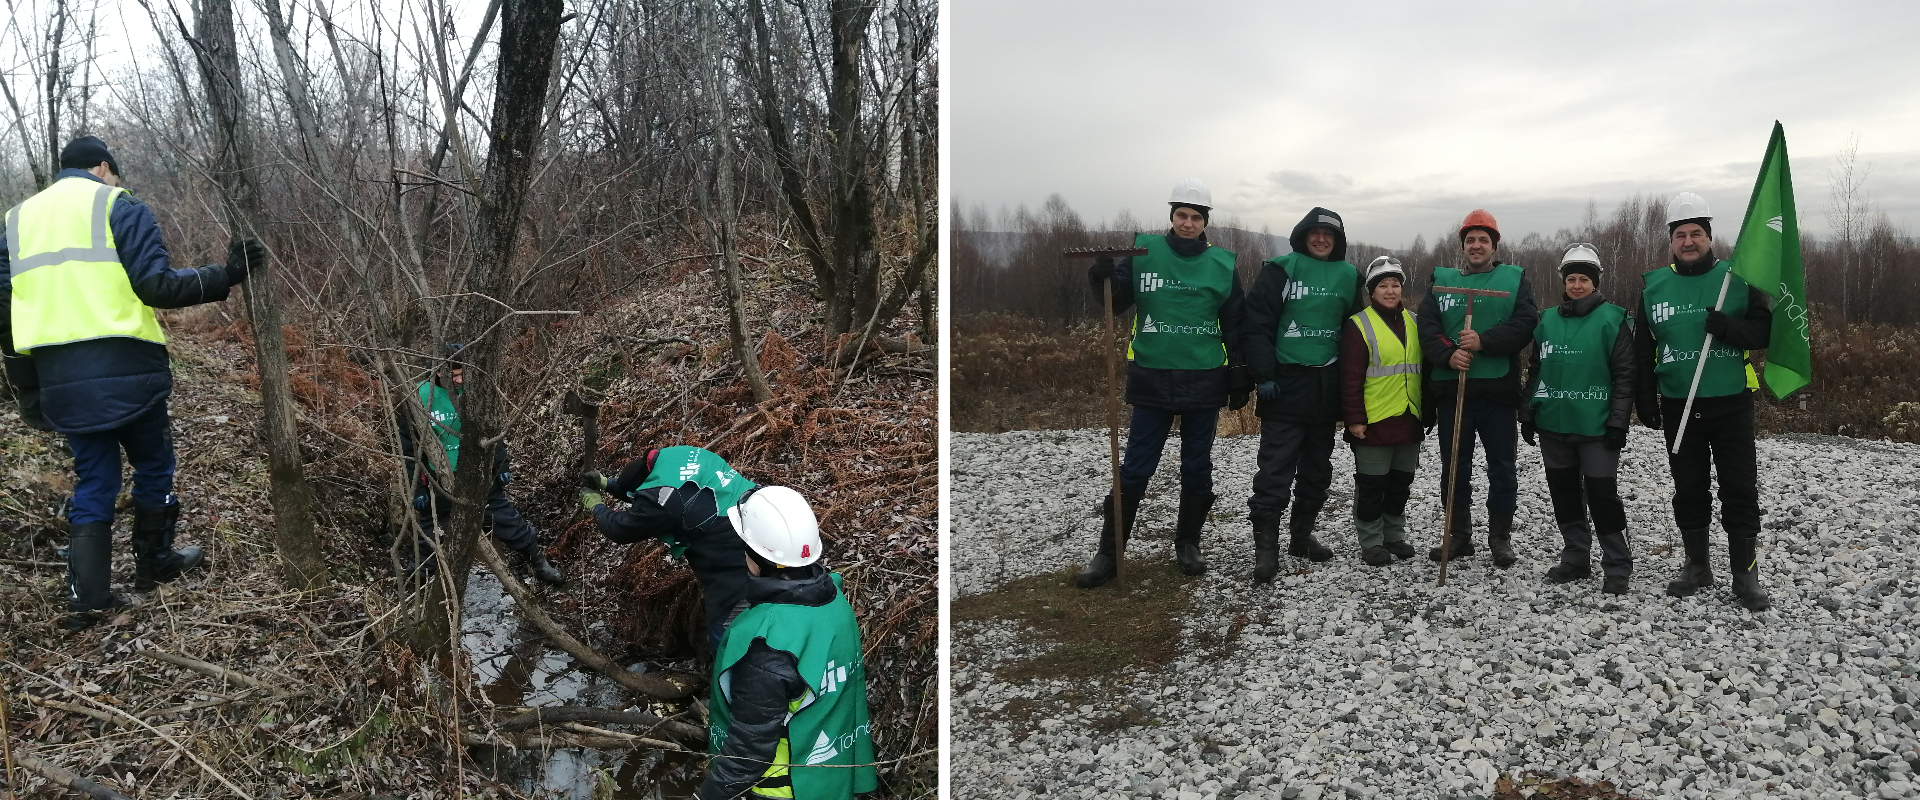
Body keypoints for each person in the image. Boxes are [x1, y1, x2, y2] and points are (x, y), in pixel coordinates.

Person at [0, 136, 260, 631]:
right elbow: (156, 286)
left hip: (59, 375)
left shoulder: (16, 221)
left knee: (94, 477)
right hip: (127, 365)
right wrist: (226, 273)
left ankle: (88, 597)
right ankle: (154, 563)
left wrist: (25, 377)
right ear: (103, 168)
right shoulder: (119, 205)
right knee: (154, 463)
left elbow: (4, 309)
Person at [1074, 178, 1249, 587]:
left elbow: (1235, 324)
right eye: (1181, 215)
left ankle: (1188, 544)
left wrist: (1241, 373)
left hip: (1204, 378)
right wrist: (1101, 277)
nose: (1187, 223)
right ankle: (1109, 554)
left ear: (1206, 222)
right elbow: (1115, 301)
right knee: (1135, 469)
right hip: (1152, 377)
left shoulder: (1222, 264)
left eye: (1196, 217)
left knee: (1196, 467)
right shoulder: (1143, 253)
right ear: (1171, 216)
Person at [1634, 193, 1772, 611]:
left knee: (1739, 489)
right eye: (1681, 234)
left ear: (1710, 238)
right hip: (1679, 404)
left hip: (1729, 402)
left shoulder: (1737, 278)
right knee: (1689, 489)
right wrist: (1645, 399)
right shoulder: (1653, 286)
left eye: (1696, 233)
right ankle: (1697, 566)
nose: (1688, 241)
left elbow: (1765, 333)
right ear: (1670, 241)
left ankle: (1745, 573)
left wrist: (1729, 327)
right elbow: (1641, 349)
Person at [696, 486, 875, 800]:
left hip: (779, 791)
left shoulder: (767, 645)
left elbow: (747, 752)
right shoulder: (832, 600)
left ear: (757, 555)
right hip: (831, 783)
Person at [1240, 207, 1364, 581]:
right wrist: (1262, 373)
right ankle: (1266, 548)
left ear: (1338, 241)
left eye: (1329, 235)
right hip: (1285, 383)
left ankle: (1301, 535)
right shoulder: (1279, 269)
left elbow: (1355, 333)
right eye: (1315, 233)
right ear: (1303, 235)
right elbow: (1257, 324)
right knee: (1276, 467)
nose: (1322, 239)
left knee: (1317, 467)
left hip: (1327, 385)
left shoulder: (1349, 276)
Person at [581, 445, 800, 652]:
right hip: (764, 523)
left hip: (731, 554)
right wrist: (608, 484)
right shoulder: (673, 457)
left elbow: (622, 528)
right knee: (777, 591)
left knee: (727, 621)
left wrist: (597, 507)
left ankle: (729, 671)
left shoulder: (660, 502)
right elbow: (656, 496)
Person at [1417, 209, 1538, 568]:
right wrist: (1449, 354)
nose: (1476, 245)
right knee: (1454, 466)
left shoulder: (1514, 280)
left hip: (1497, 393)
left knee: (1502, 466)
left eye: (1483, 240)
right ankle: (1458, 536)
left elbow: (1526, 322)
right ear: (1463, 246)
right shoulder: (1442, 281)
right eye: (1470, 240)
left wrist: (1484, 342)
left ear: (1494, 246)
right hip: (1453, 393)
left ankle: (1500, 538)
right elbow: (1427, 326)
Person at [1520, 244, 1635, 594]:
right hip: (1554, 425)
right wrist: (1528, 412)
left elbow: (1625, 376)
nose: (1577, 285)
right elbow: (1537, 370)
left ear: (1595, 282)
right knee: (1564, 493)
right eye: (1571, 279)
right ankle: (1576, 556)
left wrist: (1618, 422)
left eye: (1584, 279)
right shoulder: (1549, 320)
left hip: (1596, 427)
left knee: (1602, 494)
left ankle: (1616, 564)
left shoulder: (1613, 319)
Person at [397, 353, 565, 585]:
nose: (458, 380)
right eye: (452, 375)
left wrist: (501, 463)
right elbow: (409, 450)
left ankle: (539, 564)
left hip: (478, 476)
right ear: (437, 372)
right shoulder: (417, 397)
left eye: (461, 374)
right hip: (438, 483)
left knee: (508, 522)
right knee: (430, 537)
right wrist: (417, 490)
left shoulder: (475, 392)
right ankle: (419, 581)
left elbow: (492, 432)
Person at [1338, 257, 1424, 567]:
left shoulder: (1415, 322)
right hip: (1373, 423)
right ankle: (1371, 541)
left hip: (1408, 419)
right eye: (1383, 286)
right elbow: (1349, 378)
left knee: (1400, 483)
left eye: (1395, 284)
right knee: (1372, 486)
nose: (1390, 290)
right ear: (1372, 291)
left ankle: (1394, 536)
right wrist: (1354, 419)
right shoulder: (1358, 324)